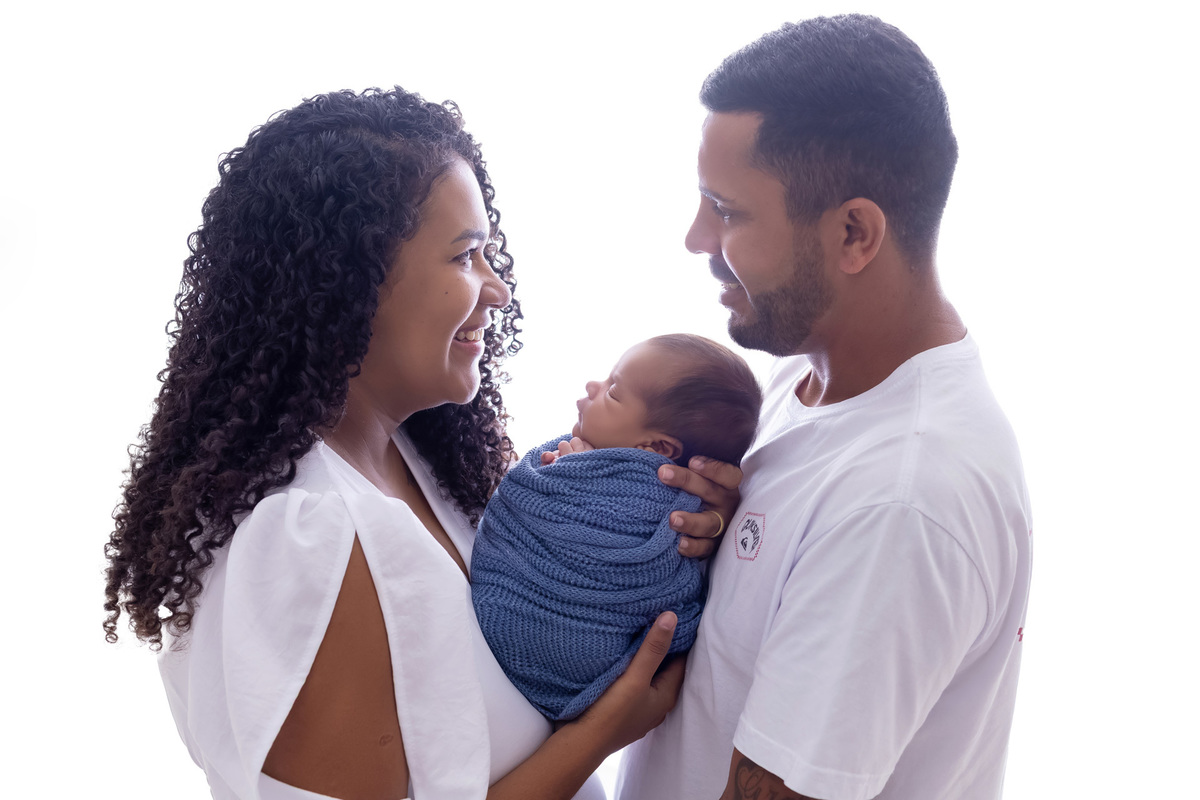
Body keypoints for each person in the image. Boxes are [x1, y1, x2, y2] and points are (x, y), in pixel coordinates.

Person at [101, 87, 739, 800]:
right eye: (466, 257)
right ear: (349, 280)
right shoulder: (310, 534)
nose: (498, 290)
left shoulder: (423, 467)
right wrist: (599, 735)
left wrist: (664, 530)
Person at [617, 15, 1032, 800]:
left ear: (852, 233)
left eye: (727, 210)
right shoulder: (806, 381)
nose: (696, 238)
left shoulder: (903, 494)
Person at [471, 334, 762, 721]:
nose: (594, 387)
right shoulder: (589, 465)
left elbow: (525, 502)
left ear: (659, 449)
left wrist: (566, 482)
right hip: (584, 676)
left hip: (566, 641)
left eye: (613, 392)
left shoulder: (676, 509)